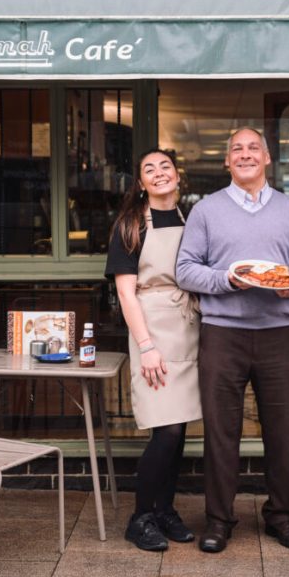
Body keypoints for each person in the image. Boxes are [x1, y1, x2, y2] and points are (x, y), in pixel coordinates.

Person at [176, 127, 289, 553]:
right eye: (237, 149)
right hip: (222, 334)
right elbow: (185, 269)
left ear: (267, 159)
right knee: (220, 432)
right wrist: (227, 280)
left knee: (281, 431)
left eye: (254, 148)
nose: (246, 154)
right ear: (227, 161)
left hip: (279, 334)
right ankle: (218, 520)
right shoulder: (205, 211)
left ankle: (282, 517)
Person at [105, 149, 201, 552]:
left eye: (165, 167)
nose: (159, 173)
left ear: (178, 176)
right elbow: (126, 293)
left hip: (189, 327)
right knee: (167, 430)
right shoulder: (129, 225)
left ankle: (165, 509)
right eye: (149, 169)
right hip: (152, 329)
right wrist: (146, 347)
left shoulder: (194, 220)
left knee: (179, 431)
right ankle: (140, 515)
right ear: (141, 183)